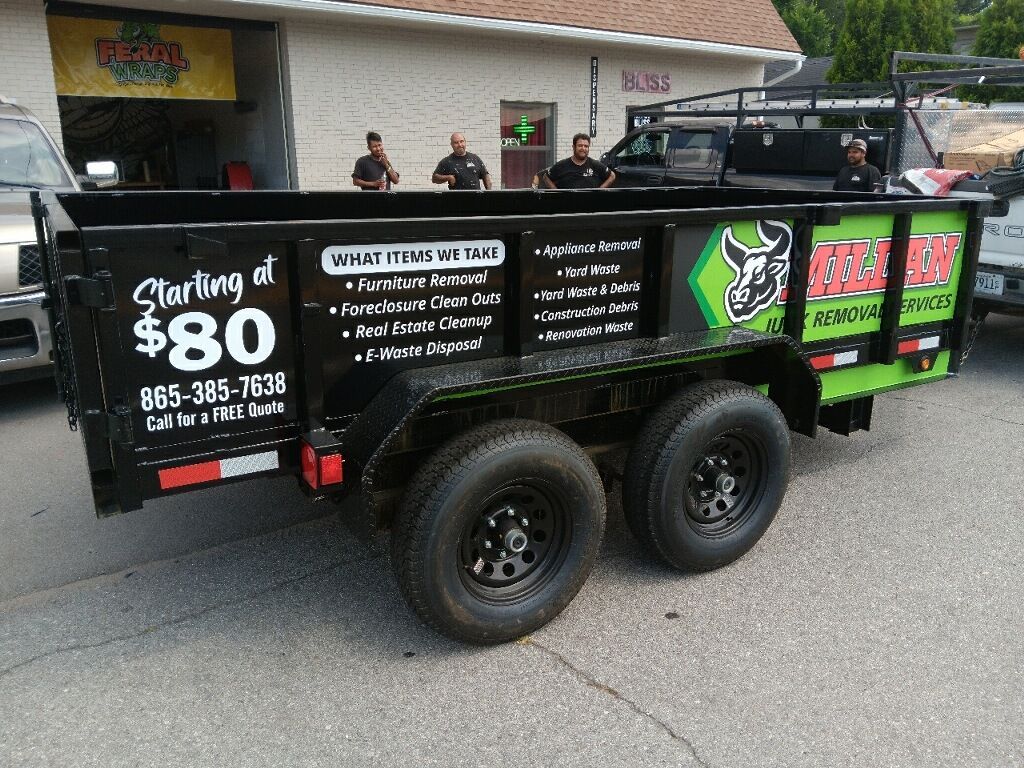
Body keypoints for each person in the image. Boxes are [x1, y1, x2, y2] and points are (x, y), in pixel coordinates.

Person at [546, 134, 616, 189]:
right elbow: (546, 177)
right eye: (580, 145)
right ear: (573, 147)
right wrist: (556, 193)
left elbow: (612, 176)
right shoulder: (562, 165)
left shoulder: (595, 164)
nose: (583, 148)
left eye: (586, 146)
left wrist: (599, 191)